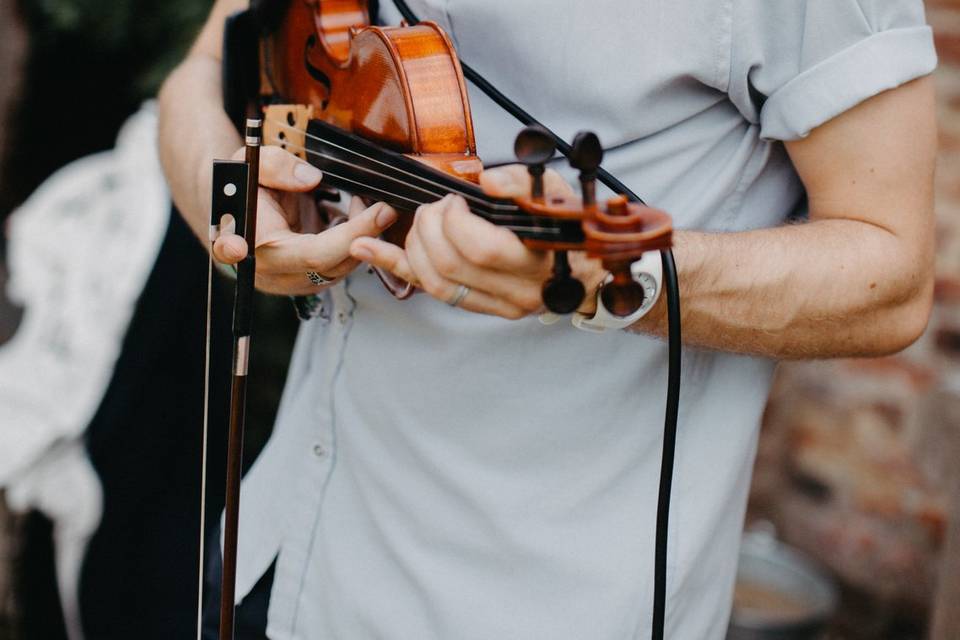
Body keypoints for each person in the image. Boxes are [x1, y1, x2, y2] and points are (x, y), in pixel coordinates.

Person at [158, 1, 938, 638]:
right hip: (274, 548)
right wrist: (230, 204)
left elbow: (892, 278)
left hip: (533, 602)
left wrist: (623, 281)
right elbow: (198, 76)